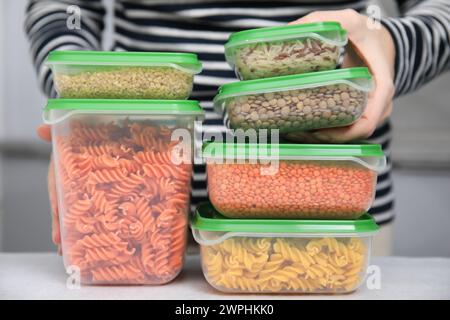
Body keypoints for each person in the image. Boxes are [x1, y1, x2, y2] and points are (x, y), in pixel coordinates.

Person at [26, 0, 449, 256]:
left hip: (331, 212)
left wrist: (389, 46)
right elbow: (62, 8)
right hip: (132, 196)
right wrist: (78, 104)